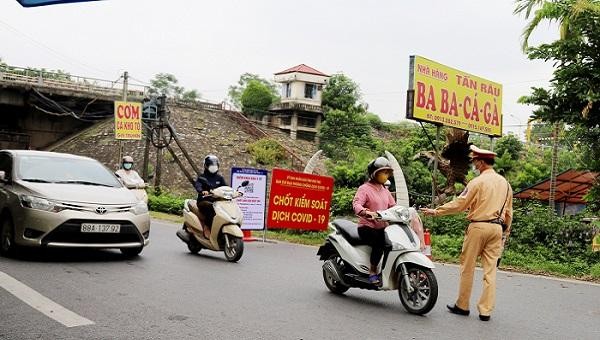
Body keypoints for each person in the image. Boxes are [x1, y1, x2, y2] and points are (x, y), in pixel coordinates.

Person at [421, 145, 513, 321]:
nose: (474, 165)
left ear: (481, 162)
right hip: (496, 229)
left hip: (478, 227)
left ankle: (462, 305)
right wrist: (505, 233)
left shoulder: (477, 182)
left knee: (467, 267)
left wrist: (437, 211)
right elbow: (509, 212)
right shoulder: (506, 184)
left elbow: (460, 204)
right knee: (490, 271)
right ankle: (485, 311)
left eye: (475, 162)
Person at [352, 156, 396, 286]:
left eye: (387, 172)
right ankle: (372, 271)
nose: (386, 175)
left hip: (382, 226)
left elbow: (393, 206)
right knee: (380, 241)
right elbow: (356, 204)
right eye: (383, 172)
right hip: (367, 227)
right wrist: (366, 212)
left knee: (393, 240)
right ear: (374, 173)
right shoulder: (364, 188)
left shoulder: (385, 190)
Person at [193, 154, 227, 239]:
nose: (213, 167)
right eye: (211, 165)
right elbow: (198, 185)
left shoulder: (219, 178)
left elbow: (225, 187)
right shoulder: (202, 177)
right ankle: (207, 227)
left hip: (217, 201)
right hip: (204, 201)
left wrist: (233, 192)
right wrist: (202, 191)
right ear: (205, 166)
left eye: (215, 165)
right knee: (210, 207)